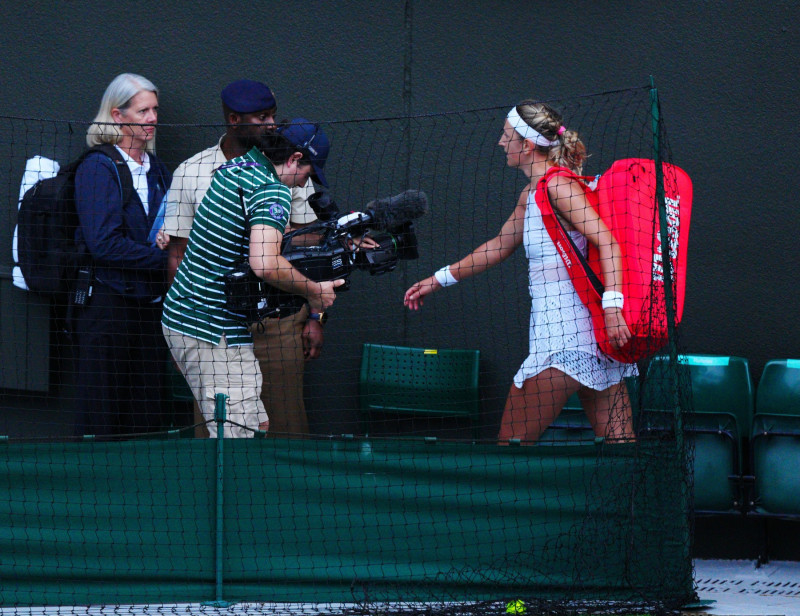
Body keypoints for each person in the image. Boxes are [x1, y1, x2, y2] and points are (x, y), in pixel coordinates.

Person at [404, 100, 637, 443]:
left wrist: (614, 308)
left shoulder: (559, 186)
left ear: (526, 146)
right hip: (590, 341)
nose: (500, 142)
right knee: (622, 454)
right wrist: (437, 280)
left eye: (506, 135)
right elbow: (499, 245)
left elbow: (608, 242)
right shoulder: (533, 194)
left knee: (509, 450)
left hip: (565, 340)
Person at [161, 121, 344, 438]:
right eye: (308, 173)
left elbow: (262, 240)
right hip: (208, 327)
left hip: (192, 317)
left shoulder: (239, 166)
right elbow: (264, 263)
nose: (304, 185)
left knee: (257, 423)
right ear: (294, 158)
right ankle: (228, 488)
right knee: (236, 437)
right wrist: (315, 292)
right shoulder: (272, 189)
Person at [71, 72, 172, 436]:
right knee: (103, 408)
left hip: (150, 306)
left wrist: (170, 243)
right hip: (108, 306)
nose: (152, 118)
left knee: (144, 411)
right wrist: (165, 259)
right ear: (117, 116)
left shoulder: (157, 169)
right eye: (143, 111)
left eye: (155, 110)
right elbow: (103, 244)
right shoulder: (99, 166)